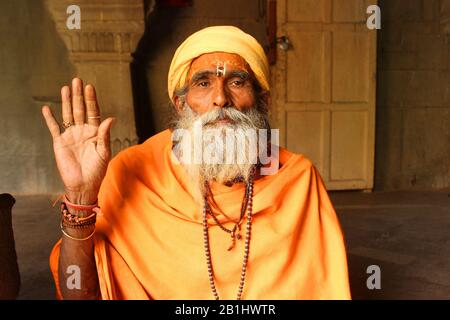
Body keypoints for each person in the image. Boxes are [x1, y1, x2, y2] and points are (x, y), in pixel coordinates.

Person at [42, 26, 351, 300]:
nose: (220, 99)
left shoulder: (297, 179)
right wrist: (80, 198)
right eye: (203, 83)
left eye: (237, 82)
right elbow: (79, 295)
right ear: (181, 102)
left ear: (261, 100)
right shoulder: (133, 171)